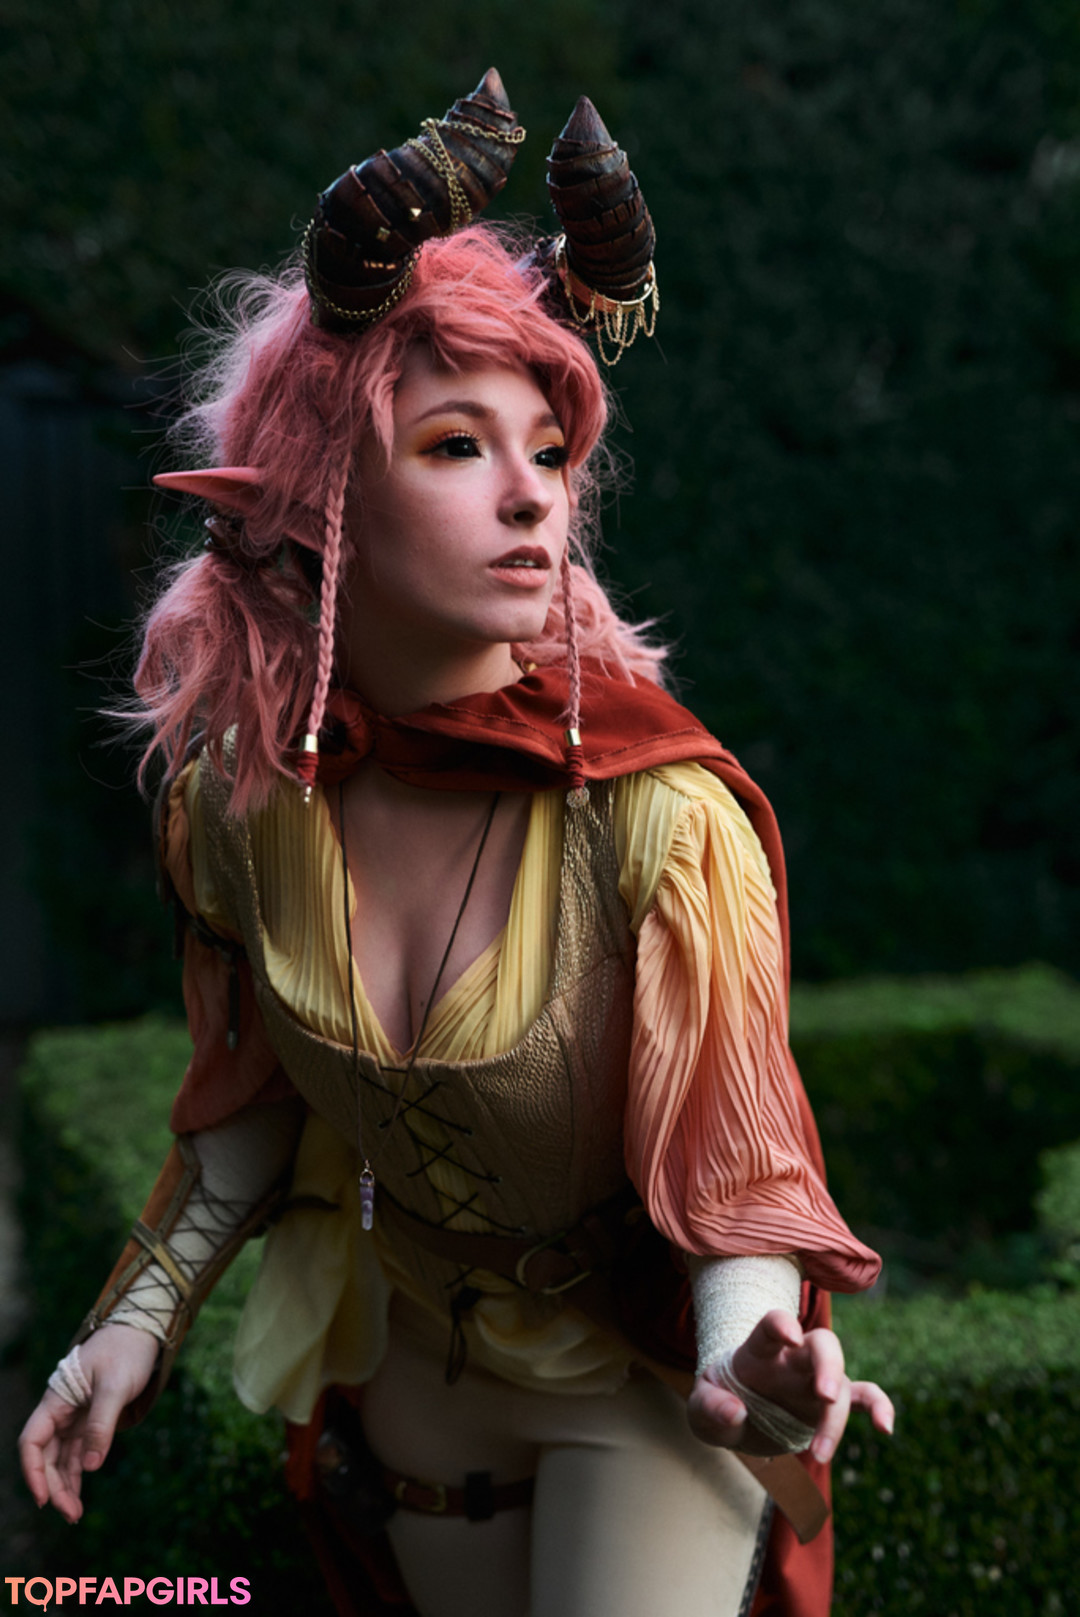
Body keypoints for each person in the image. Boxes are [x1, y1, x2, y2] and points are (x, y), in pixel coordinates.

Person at [19, 71, 892, 1617]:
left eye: (550, 452)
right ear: (320, 495)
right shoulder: (239, 807)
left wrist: (742, 1344)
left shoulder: (661, 815)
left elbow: (738, 1163)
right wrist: (130, 1327)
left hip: (641, 1393)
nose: (530, 500)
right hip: (413, 1393)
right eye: (454, 446)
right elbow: (250, 1103)